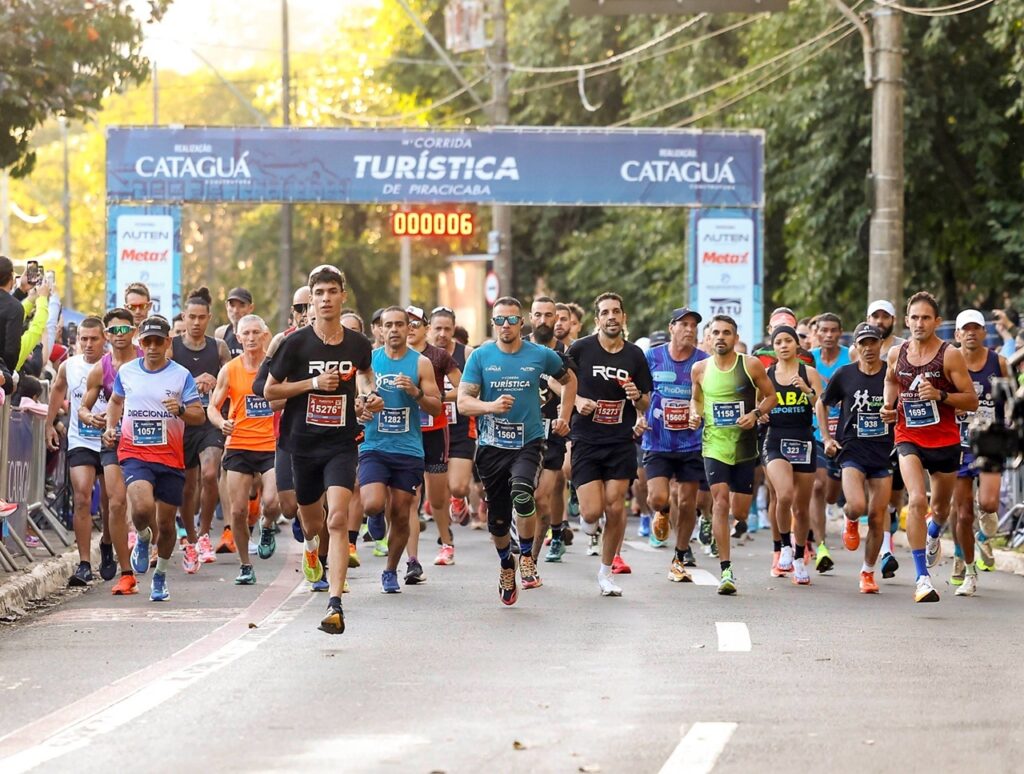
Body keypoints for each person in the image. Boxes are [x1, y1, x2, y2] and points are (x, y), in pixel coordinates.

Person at [264, 265, 382, 634]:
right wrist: (313, 383)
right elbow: (269, 391)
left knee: (338, 519)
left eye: (332, 291)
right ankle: (312, 546)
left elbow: (365, 374)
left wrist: (368, 396)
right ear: (311, 300)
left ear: (342, 295)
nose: (326, 299)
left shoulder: (357, 344)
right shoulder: (295, 344)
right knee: (312, 522)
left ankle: (335, 603)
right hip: (302, 444)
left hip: (341, 443)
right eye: (319, 293)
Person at [458, 297, 576, 606]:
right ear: (493, 323)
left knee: (523, 493)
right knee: (497, 519)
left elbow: (569, 380)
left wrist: (564, 415)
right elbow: (463, 403)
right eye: (500, 320)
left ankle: (525, 556)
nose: (506, 325)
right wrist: (490, 406)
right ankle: (506, 564)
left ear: (522, 323)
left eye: (512, 320)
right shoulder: (481, 357)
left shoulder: (540, 354)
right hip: (491, 446)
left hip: (529, 442)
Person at [881, 292, 978, 603]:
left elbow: (972, 400)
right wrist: (888, 406)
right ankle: (922, 578)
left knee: (941, 509)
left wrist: (941, 395)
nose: (919, 323)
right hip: (908, 436)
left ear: (937, 321)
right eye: (914, 317)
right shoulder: (897, 353)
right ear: (906, 321)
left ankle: (934, 531)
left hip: (944, 441)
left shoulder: (950, 355)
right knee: (917, 499)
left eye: (925, 318)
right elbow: (891, 380)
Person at [104, 316, 206, 602]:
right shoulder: (127, 372)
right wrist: (110, 427)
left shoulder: (181, 375)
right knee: (141, 507)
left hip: (170, 457)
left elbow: (199, 415)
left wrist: (181, 410)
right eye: (147, 341)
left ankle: (160, 574)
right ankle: (142, 537)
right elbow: (115, 401)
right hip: (134, 453)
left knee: (167, 524)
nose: (152, 347)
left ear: (167, 343)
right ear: (140, 342)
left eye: (157, 342)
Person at [568, 293, 652, 596]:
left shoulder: (634, 355)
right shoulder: (581, 349)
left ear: (624, 317)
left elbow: (646, 400)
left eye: (616, 311)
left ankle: (606, 573)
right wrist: (577, 401)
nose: (611, 316)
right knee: (592, 512)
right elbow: (555, 380)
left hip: (619, 440)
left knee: (615, 506)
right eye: (605, 312)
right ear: (597, 320)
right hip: (586, 439)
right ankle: (588, 521)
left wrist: (636, 396)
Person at [690, 315, 778, 595]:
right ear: (708, 338)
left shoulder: (750, 365)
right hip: (714, 445)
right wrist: (695, 414)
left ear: (735, 337)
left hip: (743, 446)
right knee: (720, 502)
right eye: (715, 332)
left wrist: (755, 414)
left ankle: (726, 528)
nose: (720, 337)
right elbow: (696, 399)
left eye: (726, 332)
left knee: (739, 512)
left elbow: (772, 397)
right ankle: (726, 569)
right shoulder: (699, 369)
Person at [358, 307, 442, 593]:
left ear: (409, 329)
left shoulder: (421, 363)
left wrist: (415, 393)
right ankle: (374, 517)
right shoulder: (369, 361)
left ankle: (390, 570)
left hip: (408, 449)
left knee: (401, 512)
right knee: (372, 503)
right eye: (388, 325)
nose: (393, 329)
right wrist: (362, 408)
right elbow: (356, 399)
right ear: (380, 330)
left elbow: (436, 406)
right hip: (374, 445)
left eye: (399, 325)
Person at [818, 323, 893, 594]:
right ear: (856, 347)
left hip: (884, 451)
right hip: (852, 449)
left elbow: (903, 404)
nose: (868, 348)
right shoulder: (845, 374)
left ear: (881, 344)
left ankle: (868, 572)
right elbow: (822, 403)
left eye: (873, 342)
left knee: (877, 516)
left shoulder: (891, 374)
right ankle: (849, 519)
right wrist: (827, 438)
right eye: (863, 343)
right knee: (857, 506)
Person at [208, 314, 282, 585]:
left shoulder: (275, 368)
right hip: (238, 444)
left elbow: (287, 396)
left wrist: (280, 404)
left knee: (272, 502)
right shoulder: (230, 369)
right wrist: (221, 423)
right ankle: (245, 565)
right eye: (246, 334)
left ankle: (267, 525)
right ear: (238, 338)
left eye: (255, 333)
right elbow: (213, 407)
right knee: (237, 512)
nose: (251, 338)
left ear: (265, 335)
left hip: (271, 445)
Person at [46, 317, 117, 586]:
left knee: (110, 500)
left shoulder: (114, 366)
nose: (88, 344)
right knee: (82, 497)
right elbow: (57, 390)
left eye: (94, 339)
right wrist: (49, 424)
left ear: (104, 339)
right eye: (83, 339)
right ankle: (84, 563)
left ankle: (107, 543)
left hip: (110, 440)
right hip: (81, 440)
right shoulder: (70, 365)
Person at [642, 307, 708, 582]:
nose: (689, 330)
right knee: (658, 497)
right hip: (658, 440)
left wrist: (699, 414)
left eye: (693, 325)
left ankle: (680, 556)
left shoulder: (704, 361)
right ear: (672, 328)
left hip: (691, 442)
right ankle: (662, 511)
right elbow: (641, 394)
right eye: (684, 324)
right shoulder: (652, 357)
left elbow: (710, 397)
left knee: (688, 501)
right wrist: (638, 417)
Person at [79, 309, 143, 594]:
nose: (119, 335)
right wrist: (90, 417)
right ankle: (126, 571)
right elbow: (83, 406)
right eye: (114, 330)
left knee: (144, 507)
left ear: (133, 331)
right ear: (107, 334)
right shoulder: (100, 368)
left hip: (147, 440)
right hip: (113, 439)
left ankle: (144, 538)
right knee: (116, 503)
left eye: (124, 329)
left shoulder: (147, 358)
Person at [951, 309, 1009, 594]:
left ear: (985, 332)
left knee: (988, 504)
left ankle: (983, 536)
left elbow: (1011, 399)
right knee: (963, 514)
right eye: (966, 328)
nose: (971, 333)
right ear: (957, 334)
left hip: (990, 442)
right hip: (958, 442)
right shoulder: (950, 362)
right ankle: (969, 571)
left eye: (976, 328)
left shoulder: (999, 362)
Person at [171, 288, 231, 567]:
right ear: (184, 317)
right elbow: (161, 380)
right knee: (186, 487)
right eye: (191, 317)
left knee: (209, 474)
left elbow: (233, 381)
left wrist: (216, 381)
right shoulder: (172, 347)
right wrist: (191, 384)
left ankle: (205, 534)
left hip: (209, 421)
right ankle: (191, 538)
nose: (196, 322)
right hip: (182, 422)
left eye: (201, 317)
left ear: (209, 318)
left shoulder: (218, 347)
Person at [761, 325, 824, 586]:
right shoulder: (767, 374)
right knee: (784, 494)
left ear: (797, 344)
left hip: (803, 440)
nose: (783, 346)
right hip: (775, 440)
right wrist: (760, 414)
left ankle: (799, 557)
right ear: (773, 347)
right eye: (778, 342)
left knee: (801, 506)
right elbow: (759, 403)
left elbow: (820, 404)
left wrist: (807, 390)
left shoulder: (809, 373)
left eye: (788, 341)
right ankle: (784, 546)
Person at [403, 304, 460, 579]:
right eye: (405, 323)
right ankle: (412, 561)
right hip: (404, 433)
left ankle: (446, 542)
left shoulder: (438, 356)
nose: (410, 329)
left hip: (434, 431)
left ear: (425, 328)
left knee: (437, 499)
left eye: (416, 324)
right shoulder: (391, 356)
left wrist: (435, 398)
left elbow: (464, 388)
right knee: (410, 499)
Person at [526, 297, 574, 563]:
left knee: (542, 496)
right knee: (524, 495)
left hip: (554, 431)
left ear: (556, 318)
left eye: (548, 315)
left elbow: (573, 386)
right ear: (530, 318)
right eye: (538, 315)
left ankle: (532, 557)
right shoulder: (518, 348)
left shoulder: (568, 352)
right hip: (520, 433)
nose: (543, 320)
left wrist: (565, 415)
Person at [808, 312, 855, 573]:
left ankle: (845, 518)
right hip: (816, 433)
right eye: (823, 330)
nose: (828, 335)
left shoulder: (851, 356)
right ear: (816, 333)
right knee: (817, 486)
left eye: (833, 330)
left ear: (840, 332)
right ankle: (821, 546)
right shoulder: (809, 359)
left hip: (845, 433)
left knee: (831, 495)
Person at [427, 306, 478, 533]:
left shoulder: (466, 354)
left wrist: (441, 396)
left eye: (447, 329)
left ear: (453, 329)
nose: (442, 334)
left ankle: (458, 498)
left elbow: (472, 389)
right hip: (431, 428)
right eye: (438, 328)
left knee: (458, 486)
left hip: (460, 428)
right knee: (438, 489)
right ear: (429, 329)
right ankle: (445, 537)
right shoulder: (421, 355)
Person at [216, 287, 254, 358]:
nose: (236, 311)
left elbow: (267, 362)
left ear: (250, 308)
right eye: (232, 305)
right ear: (226, 306)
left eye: (242, 306)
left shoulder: (261, 333)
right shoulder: (221, 334)